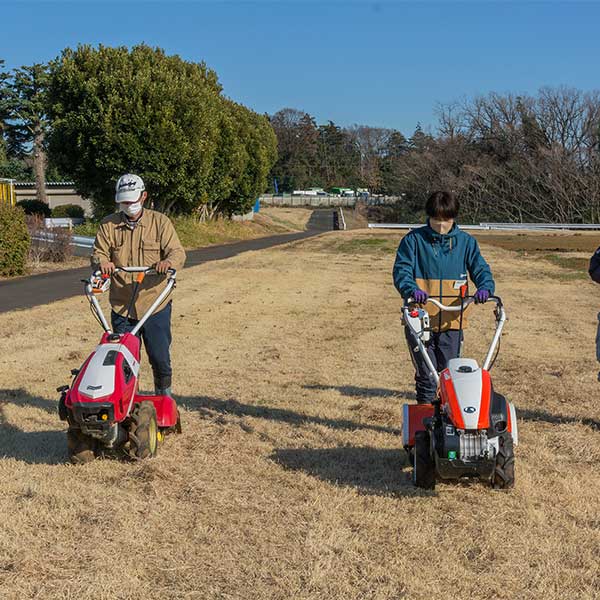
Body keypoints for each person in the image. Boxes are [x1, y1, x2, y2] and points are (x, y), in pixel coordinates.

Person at [393, 191, 495, 404]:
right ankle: (425, 418)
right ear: (429, 217)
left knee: (450, 373)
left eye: (446, 220)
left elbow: (480, 269)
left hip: (452, 318)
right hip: (420, 317)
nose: (441, 225)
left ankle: (448, 419)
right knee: (427, 374)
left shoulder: (466, 243)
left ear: (454, 218)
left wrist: (485, 287)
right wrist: (411, 290)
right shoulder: (413, 240)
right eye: (436, 219)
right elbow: (401, 271)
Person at [91, 174, 186, 396]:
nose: (129, 206)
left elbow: (177, 251)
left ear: (143, 197)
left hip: (154, 304)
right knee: (122, 361)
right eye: (124, 202)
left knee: (160, 357)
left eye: (132, 202)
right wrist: (103, 262)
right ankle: (126, 403)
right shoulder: (108, 225)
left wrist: (168, 262)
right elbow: (99, 252)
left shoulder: (160, 222)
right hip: (122, 305)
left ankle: (164, 399)